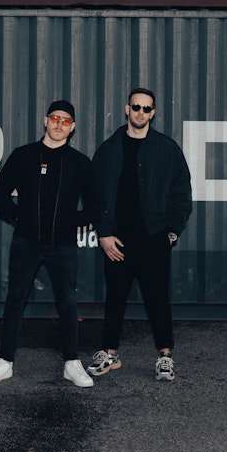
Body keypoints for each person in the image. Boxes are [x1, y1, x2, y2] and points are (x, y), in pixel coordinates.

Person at [0, 99, 100, 388]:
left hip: (63, 245)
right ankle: (4, 361)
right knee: (15, 300)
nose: (59, 124)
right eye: (55, 118)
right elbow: (0, 193)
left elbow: (97, 205)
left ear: (72, 127)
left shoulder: (80, 163)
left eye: (66, 121)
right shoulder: (23, 156)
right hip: (27, 242)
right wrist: (18, 217)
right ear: (45, 121)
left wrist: (73, 221)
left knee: (67, 302)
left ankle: (71, 363)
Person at [89, 87, 193, 382]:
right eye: (136, 107)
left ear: (153, 113)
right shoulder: (109, 149)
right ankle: (110, 354)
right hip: (117, 240)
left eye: (147, 108)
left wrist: (171, 232)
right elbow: (94, 195)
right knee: (115, 298)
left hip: (153, 238)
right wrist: (103, 234)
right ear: (127, 109)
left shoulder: (166, 149)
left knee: (157, 298)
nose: (141, 113)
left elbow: (181, 193)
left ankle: (165, 357)